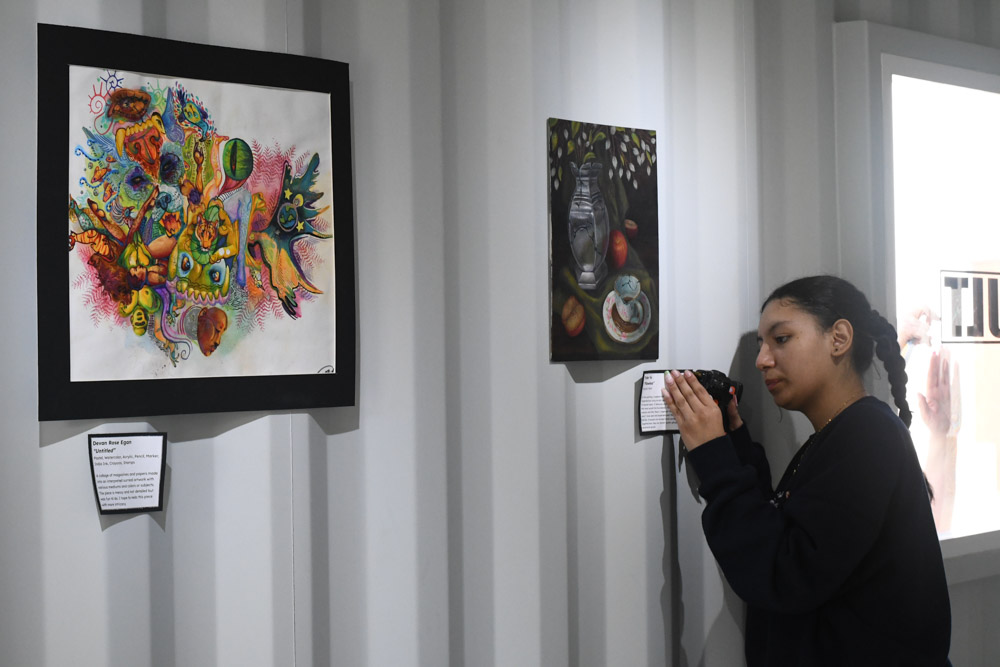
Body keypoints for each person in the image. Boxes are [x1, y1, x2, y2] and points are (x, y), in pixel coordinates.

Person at [662, 275, 951, 666]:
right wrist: (736, 452)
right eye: (762, 344)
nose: (762, 359)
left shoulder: (867, 435)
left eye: (781, 339)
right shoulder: (842, 434)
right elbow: (793, 536)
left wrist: (717, 460)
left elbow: (785, 573)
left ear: (839, 339)